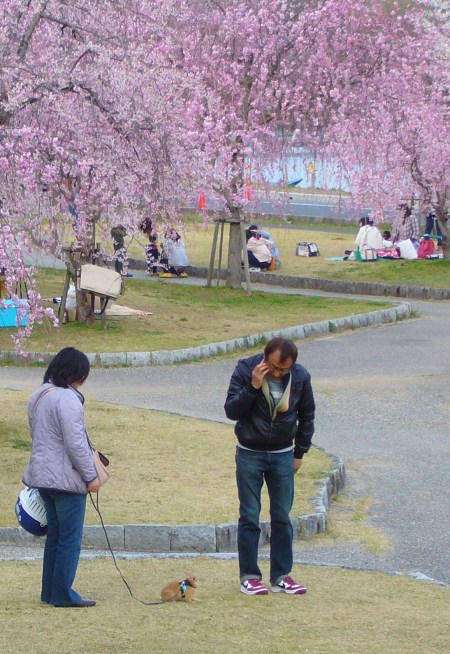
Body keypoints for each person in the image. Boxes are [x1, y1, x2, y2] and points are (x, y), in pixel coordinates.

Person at [224, 337, 315, 596]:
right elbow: (231, 410)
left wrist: (300, 453)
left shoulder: (299, 377)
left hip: (283, 453)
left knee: (282, 517)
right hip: (250, 452)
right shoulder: (245, 369)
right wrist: (253, 386)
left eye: (283, 370)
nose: (277, 373)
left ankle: (281, 576)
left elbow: (307, 415)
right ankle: (250, 577)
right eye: (273, 367)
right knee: (250, 515)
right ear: (265, 357)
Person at [22, 347, 100, 608]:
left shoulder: (39, 395)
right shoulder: (67, 398)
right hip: (66, 481)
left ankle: (50, 591)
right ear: (76, 373)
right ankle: (63, 593)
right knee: (70, 538)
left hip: (42, 479)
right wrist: (91, 477)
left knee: (55, 537)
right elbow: (76, 444)